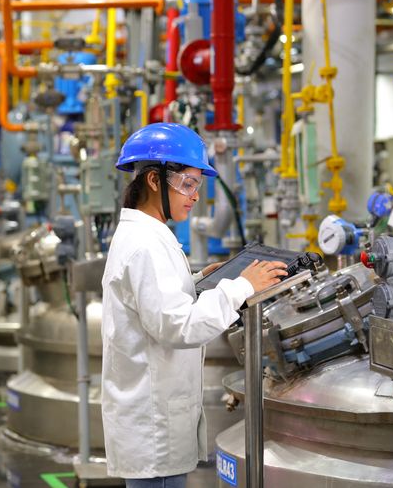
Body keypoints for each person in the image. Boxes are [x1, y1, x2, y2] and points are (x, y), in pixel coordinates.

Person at [100, 123, 287, 487]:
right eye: (187, 184)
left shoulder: (146, 236)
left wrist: (198, 280)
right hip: (153, 429)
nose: (195, 196)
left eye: (197, 185)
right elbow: (177, 326)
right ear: (154, 181)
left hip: (150, 420)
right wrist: (242, 287)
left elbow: (154, 303)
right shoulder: (146, 246)